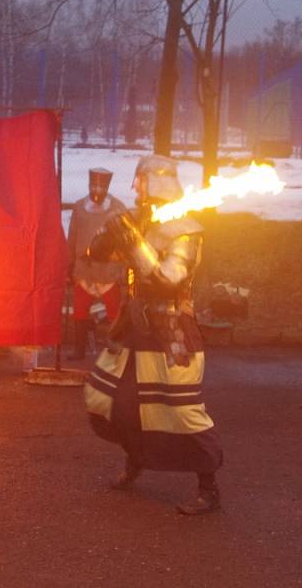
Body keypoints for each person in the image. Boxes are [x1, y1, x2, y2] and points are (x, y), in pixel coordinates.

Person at [82, 155, 223, 515]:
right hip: (134, 329)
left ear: (156, 181)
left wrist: (131, 240)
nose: (134, 187)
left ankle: (208, 489)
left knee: (182, 410)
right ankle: (136, 461)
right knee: (118, 402)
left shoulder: (186, 229)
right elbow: (96, 254)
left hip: (171, 333)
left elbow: (165, 279)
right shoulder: (141, 221)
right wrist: (111, 229)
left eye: (140, 180)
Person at [66, 168, 127, 360]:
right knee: (80, 311)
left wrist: (123, 267)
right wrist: (69, 265)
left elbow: (125, 241)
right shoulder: (78, 208)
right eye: (94, 185)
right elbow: (73, 237)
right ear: (88, 184)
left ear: (107, 186)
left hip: (109, 270)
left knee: (114, 313)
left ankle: (115, 350)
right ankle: (79, 350)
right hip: (84, 270)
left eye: (101, 185)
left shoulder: (118, 208)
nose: (97, 189)